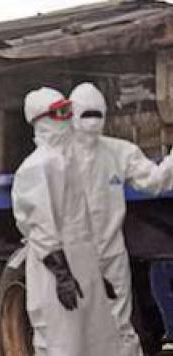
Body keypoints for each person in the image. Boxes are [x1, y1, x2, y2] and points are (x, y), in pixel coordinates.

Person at [12, 87, 121, 356]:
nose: (68, 119)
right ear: (42, 118)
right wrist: (62, 275)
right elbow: (40, 227)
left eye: (69, 111)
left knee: (98, 341)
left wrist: (95, 272)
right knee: (63, 343)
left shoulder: (67, 161)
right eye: (61, 112)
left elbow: (81, 223)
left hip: (82, 264)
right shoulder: (36, 167)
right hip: (56, 269)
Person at [69, 82, 173, 355]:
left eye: (96, 115)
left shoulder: (119, 152)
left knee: (119, 323)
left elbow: (153, 181)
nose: (91, 122)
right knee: (76, 325)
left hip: (111, 252)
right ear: (73, 115)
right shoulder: (58, 157)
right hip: (73, 254)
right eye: (86, 115)